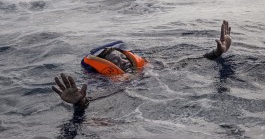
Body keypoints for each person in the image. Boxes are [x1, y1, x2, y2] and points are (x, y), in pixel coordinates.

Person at [52, 20, 232, 110]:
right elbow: (95, 98)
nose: (122, 61)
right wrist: (80, 102)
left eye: (122, 57)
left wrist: (216, 53)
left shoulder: (149, 68)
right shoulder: (118, 85)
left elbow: (185, 62)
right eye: (115, 61)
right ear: (107, 69)